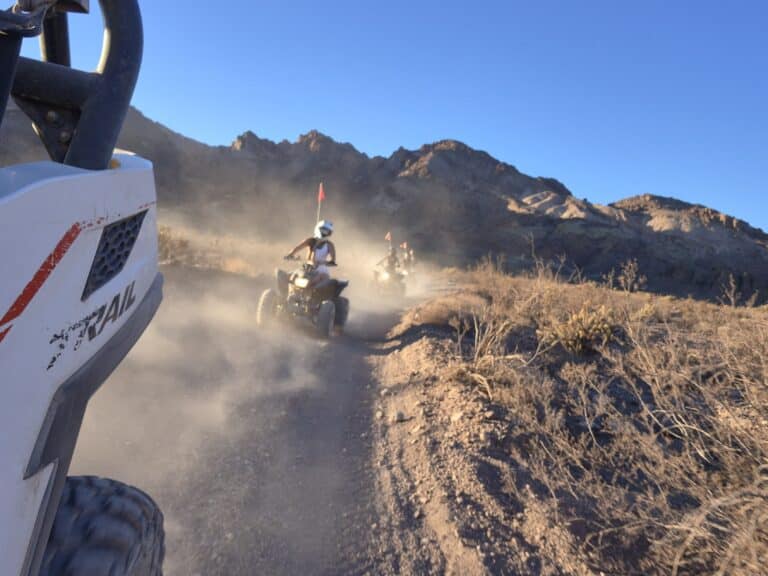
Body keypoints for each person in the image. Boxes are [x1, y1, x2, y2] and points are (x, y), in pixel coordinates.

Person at [285, 219, 336, 289]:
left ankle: (309, 297)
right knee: (292, 277)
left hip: (321, 271)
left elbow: (332, 260)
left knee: (312, 282)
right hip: (308, 268)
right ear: (318, 229)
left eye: (326, 232)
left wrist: (324, 262)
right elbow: (297, 248)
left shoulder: (329, 245)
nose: (324, 233)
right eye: (323, 230)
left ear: (329, 233)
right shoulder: (310, 241)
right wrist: (290, 254)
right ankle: (289, 295)